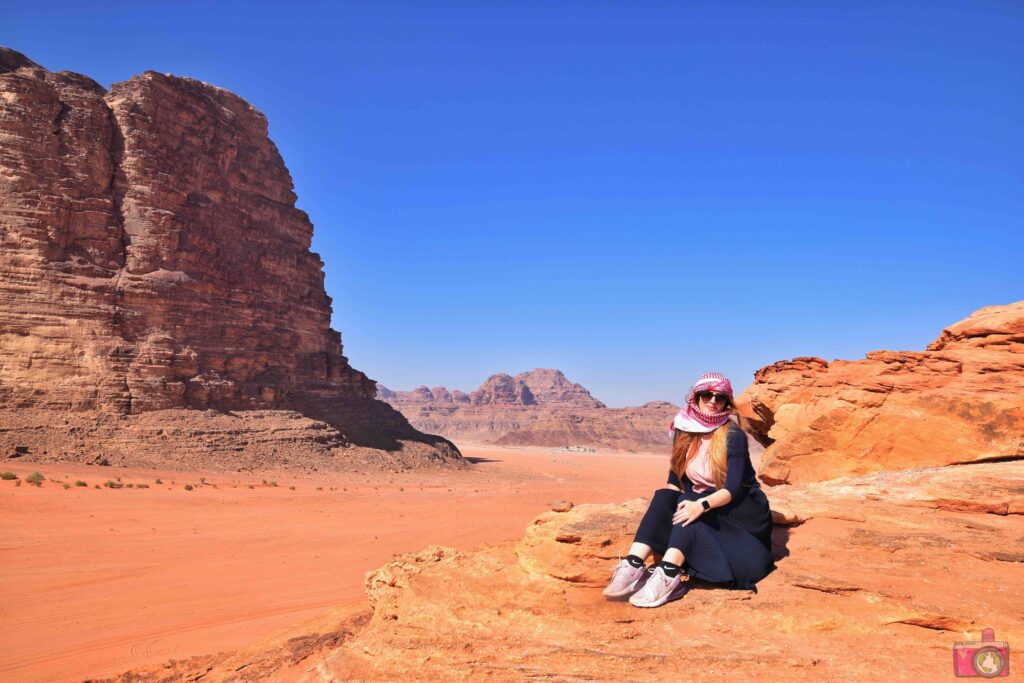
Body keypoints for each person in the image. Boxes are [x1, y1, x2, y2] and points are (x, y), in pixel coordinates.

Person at [602, 372, 774, 607]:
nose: (713, 401)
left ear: (727, 402)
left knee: (689, 510)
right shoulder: (684, 429)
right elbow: (675, 477)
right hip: (704, 498)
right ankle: (633, 566)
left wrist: (699, 505)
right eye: (706, 395)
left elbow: (733, 488)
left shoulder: (732, 435)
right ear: (696, 397)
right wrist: (666, 508)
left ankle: (669, 574)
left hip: (739, 508)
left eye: (720, 397)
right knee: (665, 497)